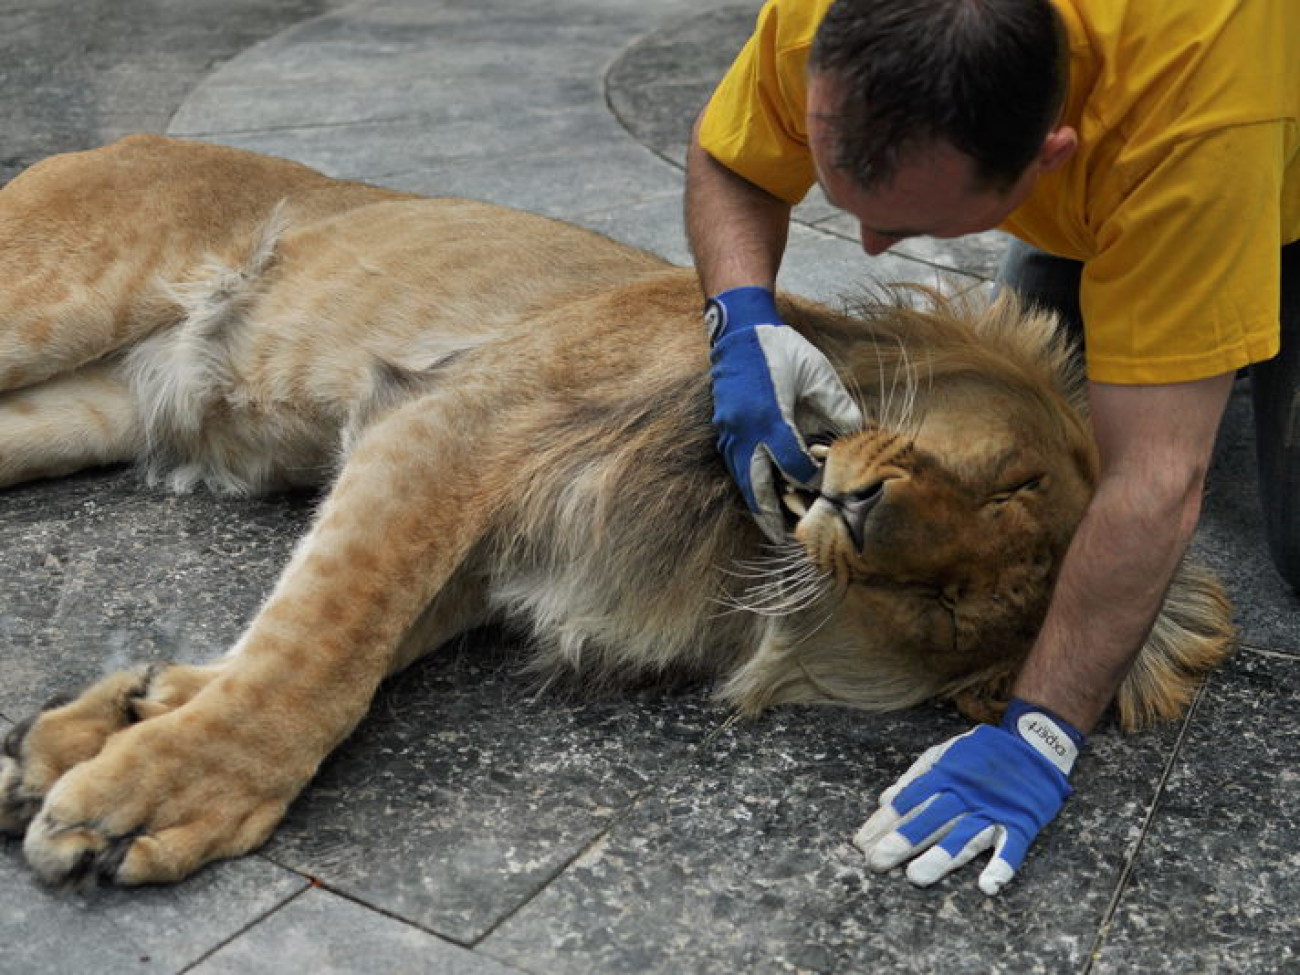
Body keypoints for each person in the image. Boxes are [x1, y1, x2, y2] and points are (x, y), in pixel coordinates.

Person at [686, 0, 1299, 895]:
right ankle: (1184, 318)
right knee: (1062, 378)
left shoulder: (1194, 132)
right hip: (1131, 172)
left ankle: (1220, 311)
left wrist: (1039, 734)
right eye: (854, 205)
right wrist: (738, 315)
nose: (867, 243)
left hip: (1250, 140)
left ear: (1055, 151)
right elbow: (730, 160)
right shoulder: (824, 18)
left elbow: (1159, 481)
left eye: (908, 226)